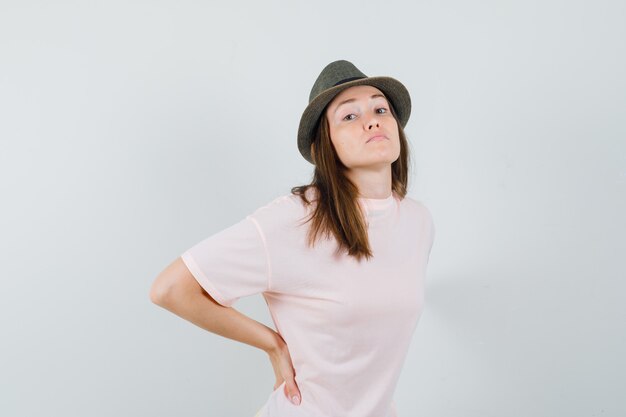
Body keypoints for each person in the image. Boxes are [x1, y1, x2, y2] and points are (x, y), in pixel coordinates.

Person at [149, 59, 435, 417]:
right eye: (349, 116)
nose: (373, 119)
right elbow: (171, 289)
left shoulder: (418, 222)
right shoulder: (296, 220)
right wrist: (272, 344)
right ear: (325, 144)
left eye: (381, 108)